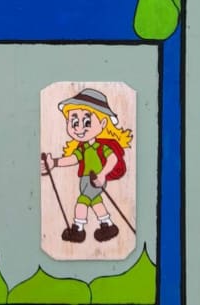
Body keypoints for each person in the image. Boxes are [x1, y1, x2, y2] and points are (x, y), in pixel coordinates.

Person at [41, 88, 132, 242]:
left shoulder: (101, 146)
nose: (79, 128)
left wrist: (102, 174)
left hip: (95, 179)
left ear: (103, 123)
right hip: (84, 180)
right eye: (74, 122)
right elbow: (73, 159)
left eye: (87, 122)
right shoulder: (82, 148)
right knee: (96, 202)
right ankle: (107, 225)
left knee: (82, 202)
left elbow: (112, 159)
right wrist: (54, 163)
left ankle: (78, 230)